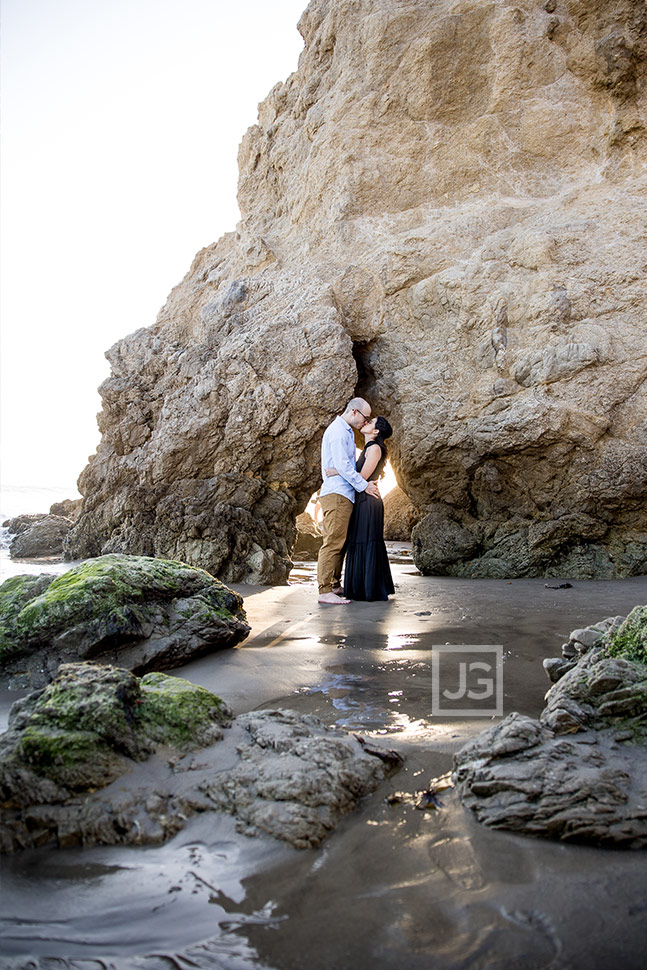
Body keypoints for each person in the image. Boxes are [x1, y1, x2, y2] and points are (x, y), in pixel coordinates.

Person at [317, 398, 380, 605]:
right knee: (333, 542)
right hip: (337, 494)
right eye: (365, 417)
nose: (366, 421)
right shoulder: (337, 431)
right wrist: (365, 486)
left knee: (340, 543)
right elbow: (345, 467)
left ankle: (335, 584)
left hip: (344, 494)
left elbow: (343, 466)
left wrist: (338, 470)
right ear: (354, 412)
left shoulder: (346, 432)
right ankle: (324, 590)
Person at [341, 416, 395, 601]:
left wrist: (337, 471)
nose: (366, 422)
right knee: (360, 541)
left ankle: (369, 590)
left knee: (366, 541)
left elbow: (361, 478)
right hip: (364, 499)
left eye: (371, 422)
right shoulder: (369, 448)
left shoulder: (374, 448)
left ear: (376, 431)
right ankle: (362, 588)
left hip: (368, 501)